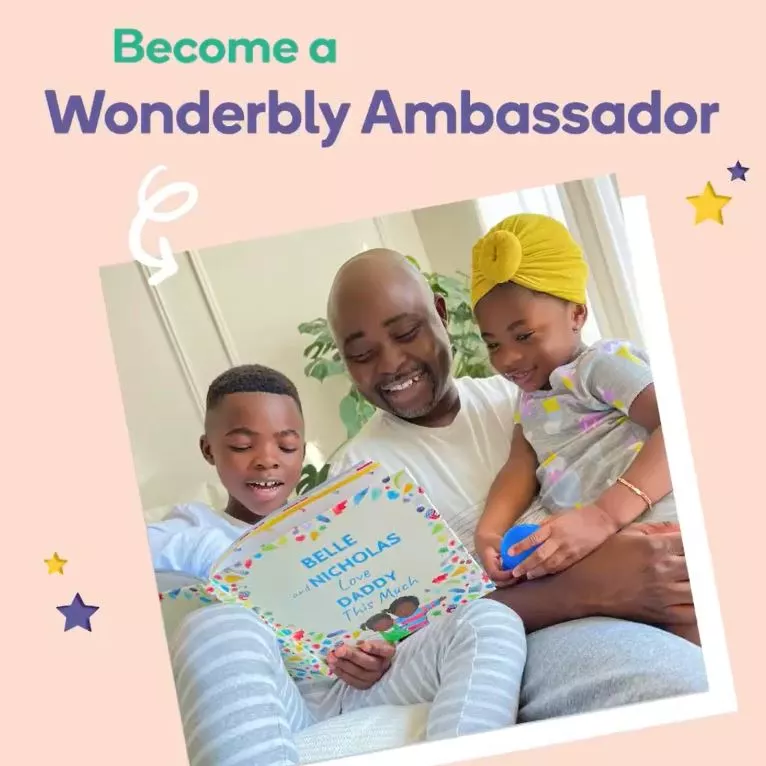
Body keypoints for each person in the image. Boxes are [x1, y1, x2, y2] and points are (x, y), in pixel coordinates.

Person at [326, 246, 707, 720]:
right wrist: (586, 586)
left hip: (650, 562)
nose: (390, 364)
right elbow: (411, 627)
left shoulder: (531, 389)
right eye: (361, 354)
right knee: (682, 683)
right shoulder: (357, 476)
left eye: (406, 332)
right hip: (536, 635)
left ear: (441, 315)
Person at [149, 364, 529, 766]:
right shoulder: (190, 528)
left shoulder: (338, 515)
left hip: (365, 683)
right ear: (209, 449)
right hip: (281, 700)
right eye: (243, 446)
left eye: (287, 446)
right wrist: (211, 547)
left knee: (489, 618)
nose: (266, 461)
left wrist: (380, 648)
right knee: (216, 625)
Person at [468, 214, 697, 644]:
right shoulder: (530, 401)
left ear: (576, 313)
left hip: (660, 525)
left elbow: (679, 424)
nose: (508, 359)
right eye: (493, 343)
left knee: (689, 626)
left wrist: (604, 515)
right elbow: (518, 465)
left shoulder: (598, 365)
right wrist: (490, 531)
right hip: (607, 553)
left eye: (524, 335)